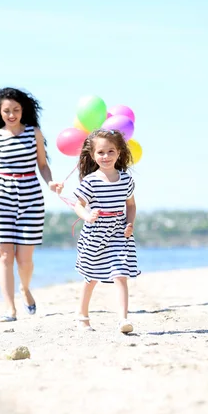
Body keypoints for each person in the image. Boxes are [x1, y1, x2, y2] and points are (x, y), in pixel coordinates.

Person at [0, 87, 63, 322]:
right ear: (0, 111)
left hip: (31, 197)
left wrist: (51, 183)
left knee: (24, 259)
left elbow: (43, 166)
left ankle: (25, 289)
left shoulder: (33, 133)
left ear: (23, 109)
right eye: (7, 111)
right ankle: (10, 308)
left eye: (16, 110)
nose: (12, 115)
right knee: (5, 256)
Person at [73, 128, 140, 333]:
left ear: (119, 152)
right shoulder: (91, 181)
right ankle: (82, 316)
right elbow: (78, 204)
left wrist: (130, 223)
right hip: (95, 234)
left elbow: (130, 205)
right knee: (91, 277)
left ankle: (123, 319)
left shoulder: (126, 180)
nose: (106, 156)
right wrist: (87, 216)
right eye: (101, 152)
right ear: (93, 155)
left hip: (118, 232)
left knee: (120, 274)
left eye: (111, 151)